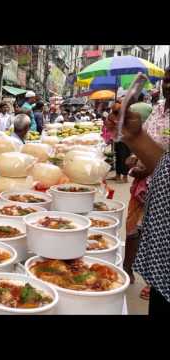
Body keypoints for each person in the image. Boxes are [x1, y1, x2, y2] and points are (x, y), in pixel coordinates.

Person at [105, 66, 170, 315]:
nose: (168, 85)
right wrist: (136, 137)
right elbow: (166, 166)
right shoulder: (159, 111)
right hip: (163, 259)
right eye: (167, 80)